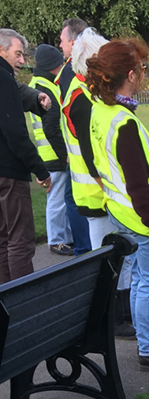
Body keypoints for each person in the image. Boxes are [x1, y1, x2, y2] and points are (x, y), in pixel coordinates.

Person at [86, 39, 149, 372]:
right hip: (141, 219)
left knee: (144, 281)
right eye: (142, 69)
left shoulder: (101, 110)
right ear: (130, 75)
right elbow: (139, 184)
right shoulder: (124, 123)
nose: (144, 74)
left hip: (123, 213)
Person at [66, 27, 134, 336]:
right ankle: (114, 319)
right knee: (109, 258)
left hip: (100, 193)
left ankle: (121, 314)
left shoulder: (85, 94)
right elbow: (92, 154)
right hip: (98, 195)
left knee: (117, 255)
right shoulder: (81, 99)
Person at [0, 28, 51, 284]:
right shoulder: (2, 77)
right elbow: (14, 132)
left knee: (2, 240)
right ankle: (24, 303)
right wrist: (39, 169)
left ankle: (7, 301)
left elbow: (16, 90)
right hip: (9, 172)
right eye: (18, 54)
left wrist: (35, 97)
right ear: (1, 50)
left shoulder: (5, 77)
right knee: (20, 241)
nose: (22, 60)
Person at [30, 43, 72, 255]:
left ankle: (63, 237)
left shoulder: (41, 83)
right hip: (54, 153)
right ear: (52, 66)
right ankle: (57, 240)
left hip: (49, 152)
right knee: (57, 199)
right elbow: (51, 127)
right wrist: (65, 155)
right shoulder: (45, 88)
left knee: (59, 198)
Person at [57, 16, 91, 255]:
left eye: (62, 40)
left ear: (73, 41)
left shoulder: (72, 70)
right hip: (80, 151)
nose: (60, 45)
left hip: (79, 155)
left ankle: (83, 249)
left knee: (75, 200)